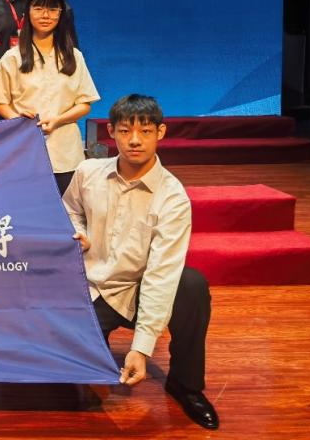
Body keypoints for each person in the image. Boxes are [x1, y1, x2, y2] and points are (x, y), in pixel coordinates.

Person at [63, 94, 218, 430]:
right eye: (125, 131)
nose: (134, 140)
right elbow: (70, 210)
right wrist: (79, 232)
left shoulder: (173, 196)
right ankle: (88, 364)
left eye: (145, 131)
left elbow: (161, 274)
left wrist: (142, 347)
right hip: (92, 286)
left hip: (138, 288)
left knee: (191, 285)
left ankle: (186, 385)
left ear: (160, 132)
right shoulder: (87, 172)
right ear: (111, 131)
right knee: (74, 386)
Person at [0, 0, 97, 194]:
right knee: (26, 207)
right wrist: (19, 120)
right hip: (24, 149)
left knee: (67, 209)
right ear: (27, 12)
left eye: (52, 9)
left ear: (61, 13)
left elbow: (85, 104)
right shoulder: (12, 57)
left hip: (65, 152)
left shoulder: (74, 56)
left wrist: (57, 120)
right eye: (38, 8)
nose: (45, 15)